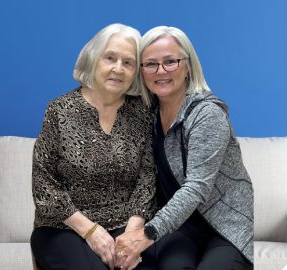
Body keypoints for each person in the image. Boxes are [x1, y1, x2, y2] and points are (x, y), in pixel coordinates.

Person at [115, 26, 254, 270]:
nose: (161, 71)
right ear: (142, 71)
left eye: (170, 62)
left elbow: (197, 187)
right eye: (151, 64)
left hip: (224, 229)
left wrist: (146, 234)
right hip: (179, 229)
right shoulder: (147, 114)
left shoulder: (207, 114)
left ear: (188, 66)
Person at [30, 23, 157, 270]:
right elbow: (44, 184)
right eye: (110, 58)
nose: (118, 69)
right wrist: (91, 231)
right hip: (64, 227)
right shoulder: (59, 110)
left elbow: (147, 177)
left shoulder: (142, 112)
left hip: (125, 225)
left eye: (128, 62)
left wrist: (132, 234)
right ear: (93, 59)